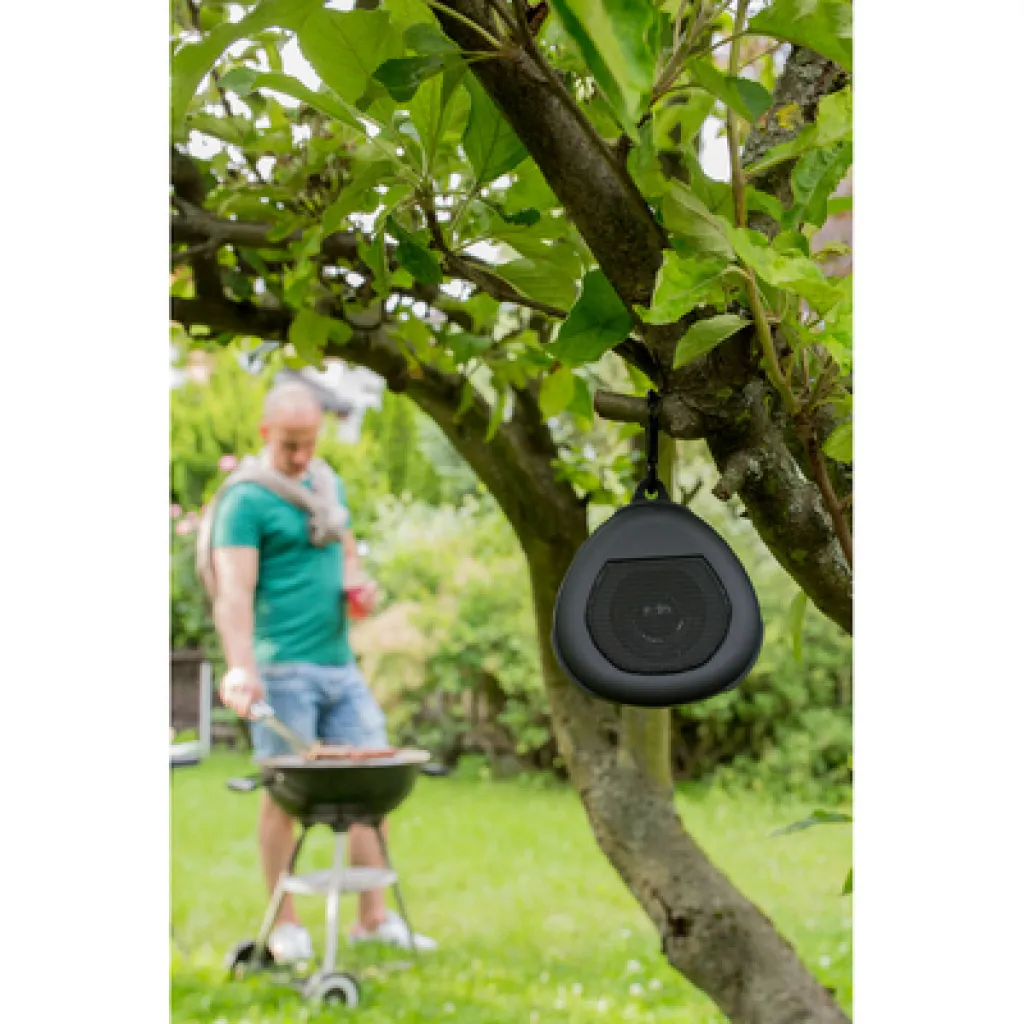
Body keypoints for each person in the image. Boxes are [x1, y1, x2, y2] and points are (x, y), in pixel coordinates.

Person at [212, 379, 436, 962]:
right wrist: (240, 668)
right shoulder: (245, 500)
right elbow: (233, 592)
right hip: (280, 669)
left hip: (340, 665)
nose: (301, 455)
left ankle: (373, 920)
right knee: (284, 796)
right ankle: (285, 927)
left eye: (310, 442)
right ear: (265, 433)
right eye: (290, 444)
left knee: (373, 785)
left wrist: (358, 590)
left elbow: (347, 556)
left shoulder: (326, 483)